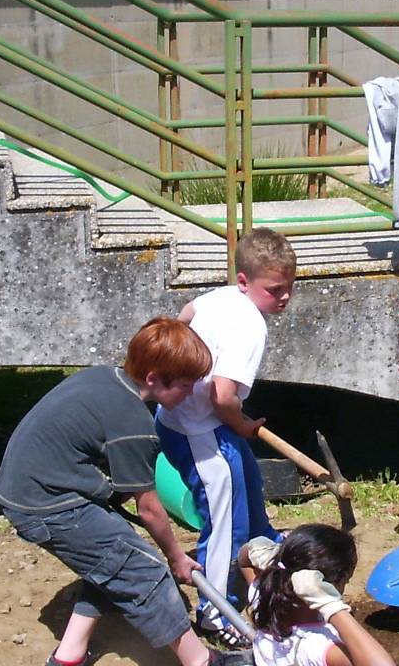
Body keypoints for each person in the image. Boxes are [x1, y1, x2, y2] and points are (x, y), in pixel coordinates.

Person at [0, 317, 253, 666]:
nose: (191, 393)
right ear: (153, 378)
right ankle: (201, 661)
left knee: (115, 558)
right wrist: (176, 557)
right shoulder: (133, 423)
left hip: (30, 487)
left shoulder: (105, 376)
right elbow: (149, 509)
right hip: (47, 503)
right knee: (144, 571)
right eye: (185, 385)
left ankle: (69, 655)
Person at [155, 227, 297, 644]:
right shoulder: (250, 326)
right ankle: (216, 614)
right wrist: (243, 426)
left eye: (290, 287)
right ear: (244, 281)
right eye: (275, 290)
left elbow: (184, 316)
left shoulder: (218, 298)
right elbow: (222, 396)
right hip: (200, 432)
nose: (285, 297)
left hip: (179, 420)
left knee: (247, 481)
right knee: (222, 524)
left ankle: (265, 547)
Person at [237, 524, 397, 666]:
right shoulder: (317, 646)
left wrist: (264, 553)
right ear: (328, 585)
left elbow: (245, 560)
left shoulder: (264, 599)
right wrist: (332, 607)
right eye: (346, 581)